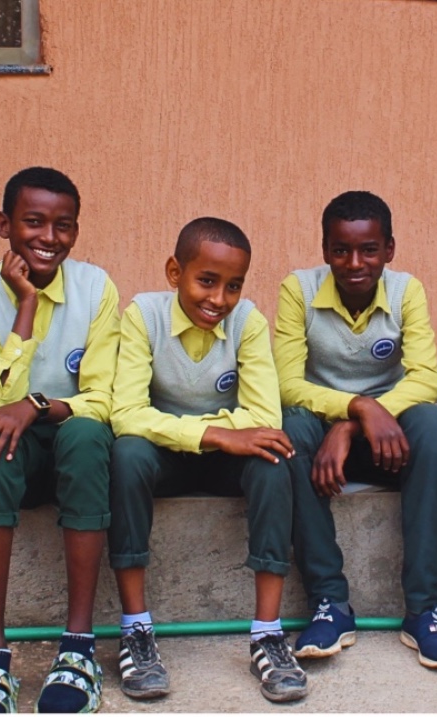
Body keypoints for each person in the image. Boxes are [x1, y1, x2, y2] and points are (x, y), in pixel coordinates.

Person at [107, 217, 308, 704]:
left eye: (233, 285)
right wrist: (213, 432)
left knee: (272, 457)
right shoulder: (143, 316)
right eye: (207, 281)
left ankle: (268, 633)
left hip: (222, 460)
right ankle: (135, 629)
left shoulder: (248, 322)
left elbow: (264, 415)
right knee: (127, 454)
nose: (219, 299)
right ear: (175, 273)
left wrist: (216, 437)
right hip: (164, 457)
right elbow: (126, 413)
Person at [0, 166, 120, 712]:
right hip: (13, 454)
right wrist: (25, 305)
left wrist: (37, 405)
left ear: (76, 231)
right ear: (4, 225)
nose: (49, 237)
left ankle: (78, 647)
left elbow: (104, 396)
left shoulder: (96, 288)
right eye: (34, 222)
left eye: (63, 225)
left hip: (73, 446)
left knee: (88, 434)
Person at [275, 190, 437, 669]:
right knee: (289, 429)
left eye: (369, 250)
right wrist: (354, 409)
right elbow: (287, 384)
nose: (355, 263)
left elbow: (427, 378)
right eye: (341, 250)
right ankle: (329, 603)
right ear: (325, 250)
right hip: (323, 443)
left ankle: (424, 611)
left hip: (388, 439)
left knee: (432, 424)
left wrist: (358, 422)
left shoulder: (406, 291)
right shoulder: (298, 290)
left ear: (390, 249)